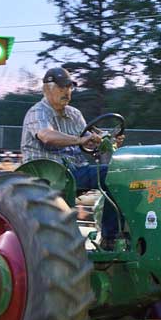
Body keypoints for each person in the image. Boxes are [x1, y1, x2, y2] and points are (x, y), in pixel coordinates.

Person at [21, 67, 120, 248]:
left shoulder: (74, 114)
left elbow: (89, 139)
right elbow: (47, 136)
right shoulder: (38, 112)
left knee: (116, 175)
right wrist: (79, 140)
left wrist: (107, 139)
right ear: (47, 88)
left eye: (69, 87)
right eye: (62, 87)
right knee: (107, 174)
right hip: (47, 174)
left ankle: (110, 238)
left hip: (74, 171)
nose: (67, 92)